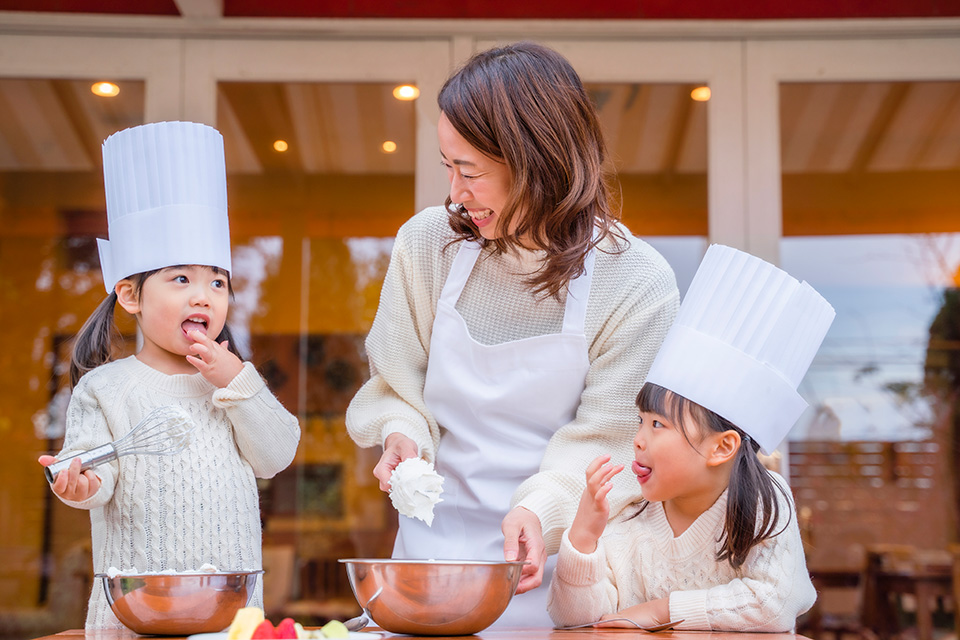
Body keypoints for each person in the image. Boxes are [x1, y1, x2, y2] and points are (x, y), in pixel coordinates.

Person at [345, 41, 679, 627]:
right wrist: (401, 435)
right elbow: (397, 382)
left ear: (538, 162)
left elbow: (611, 440)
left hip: (565, 576)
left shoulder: (635, 279)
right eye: (448, 166)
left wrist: (539, 510)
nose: (454, 192)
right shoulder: (428, 245)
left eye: (469, 171)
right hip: (431, 566)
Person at [37, 121, 301, 629]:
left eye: (217, 282)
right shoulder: (106, 388)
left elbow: (276, 454)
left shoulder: (234, 385)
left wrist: (237, 383)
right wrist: (79, 484)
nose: (203, 295)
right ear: (131, 296)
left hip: (230, 616)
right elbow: (98, 473)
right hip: (133, 615)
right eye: (181, 279)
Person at [547, 244, 835, 631]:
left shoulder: (764, 503)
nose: (637, 439)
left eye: (658, 425)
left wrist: (661, 610)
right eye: (641, 421)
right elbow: (579, 622)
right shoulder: (628, 511)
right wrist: (583, 536)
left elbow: (775, 602)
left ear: (721, 447)